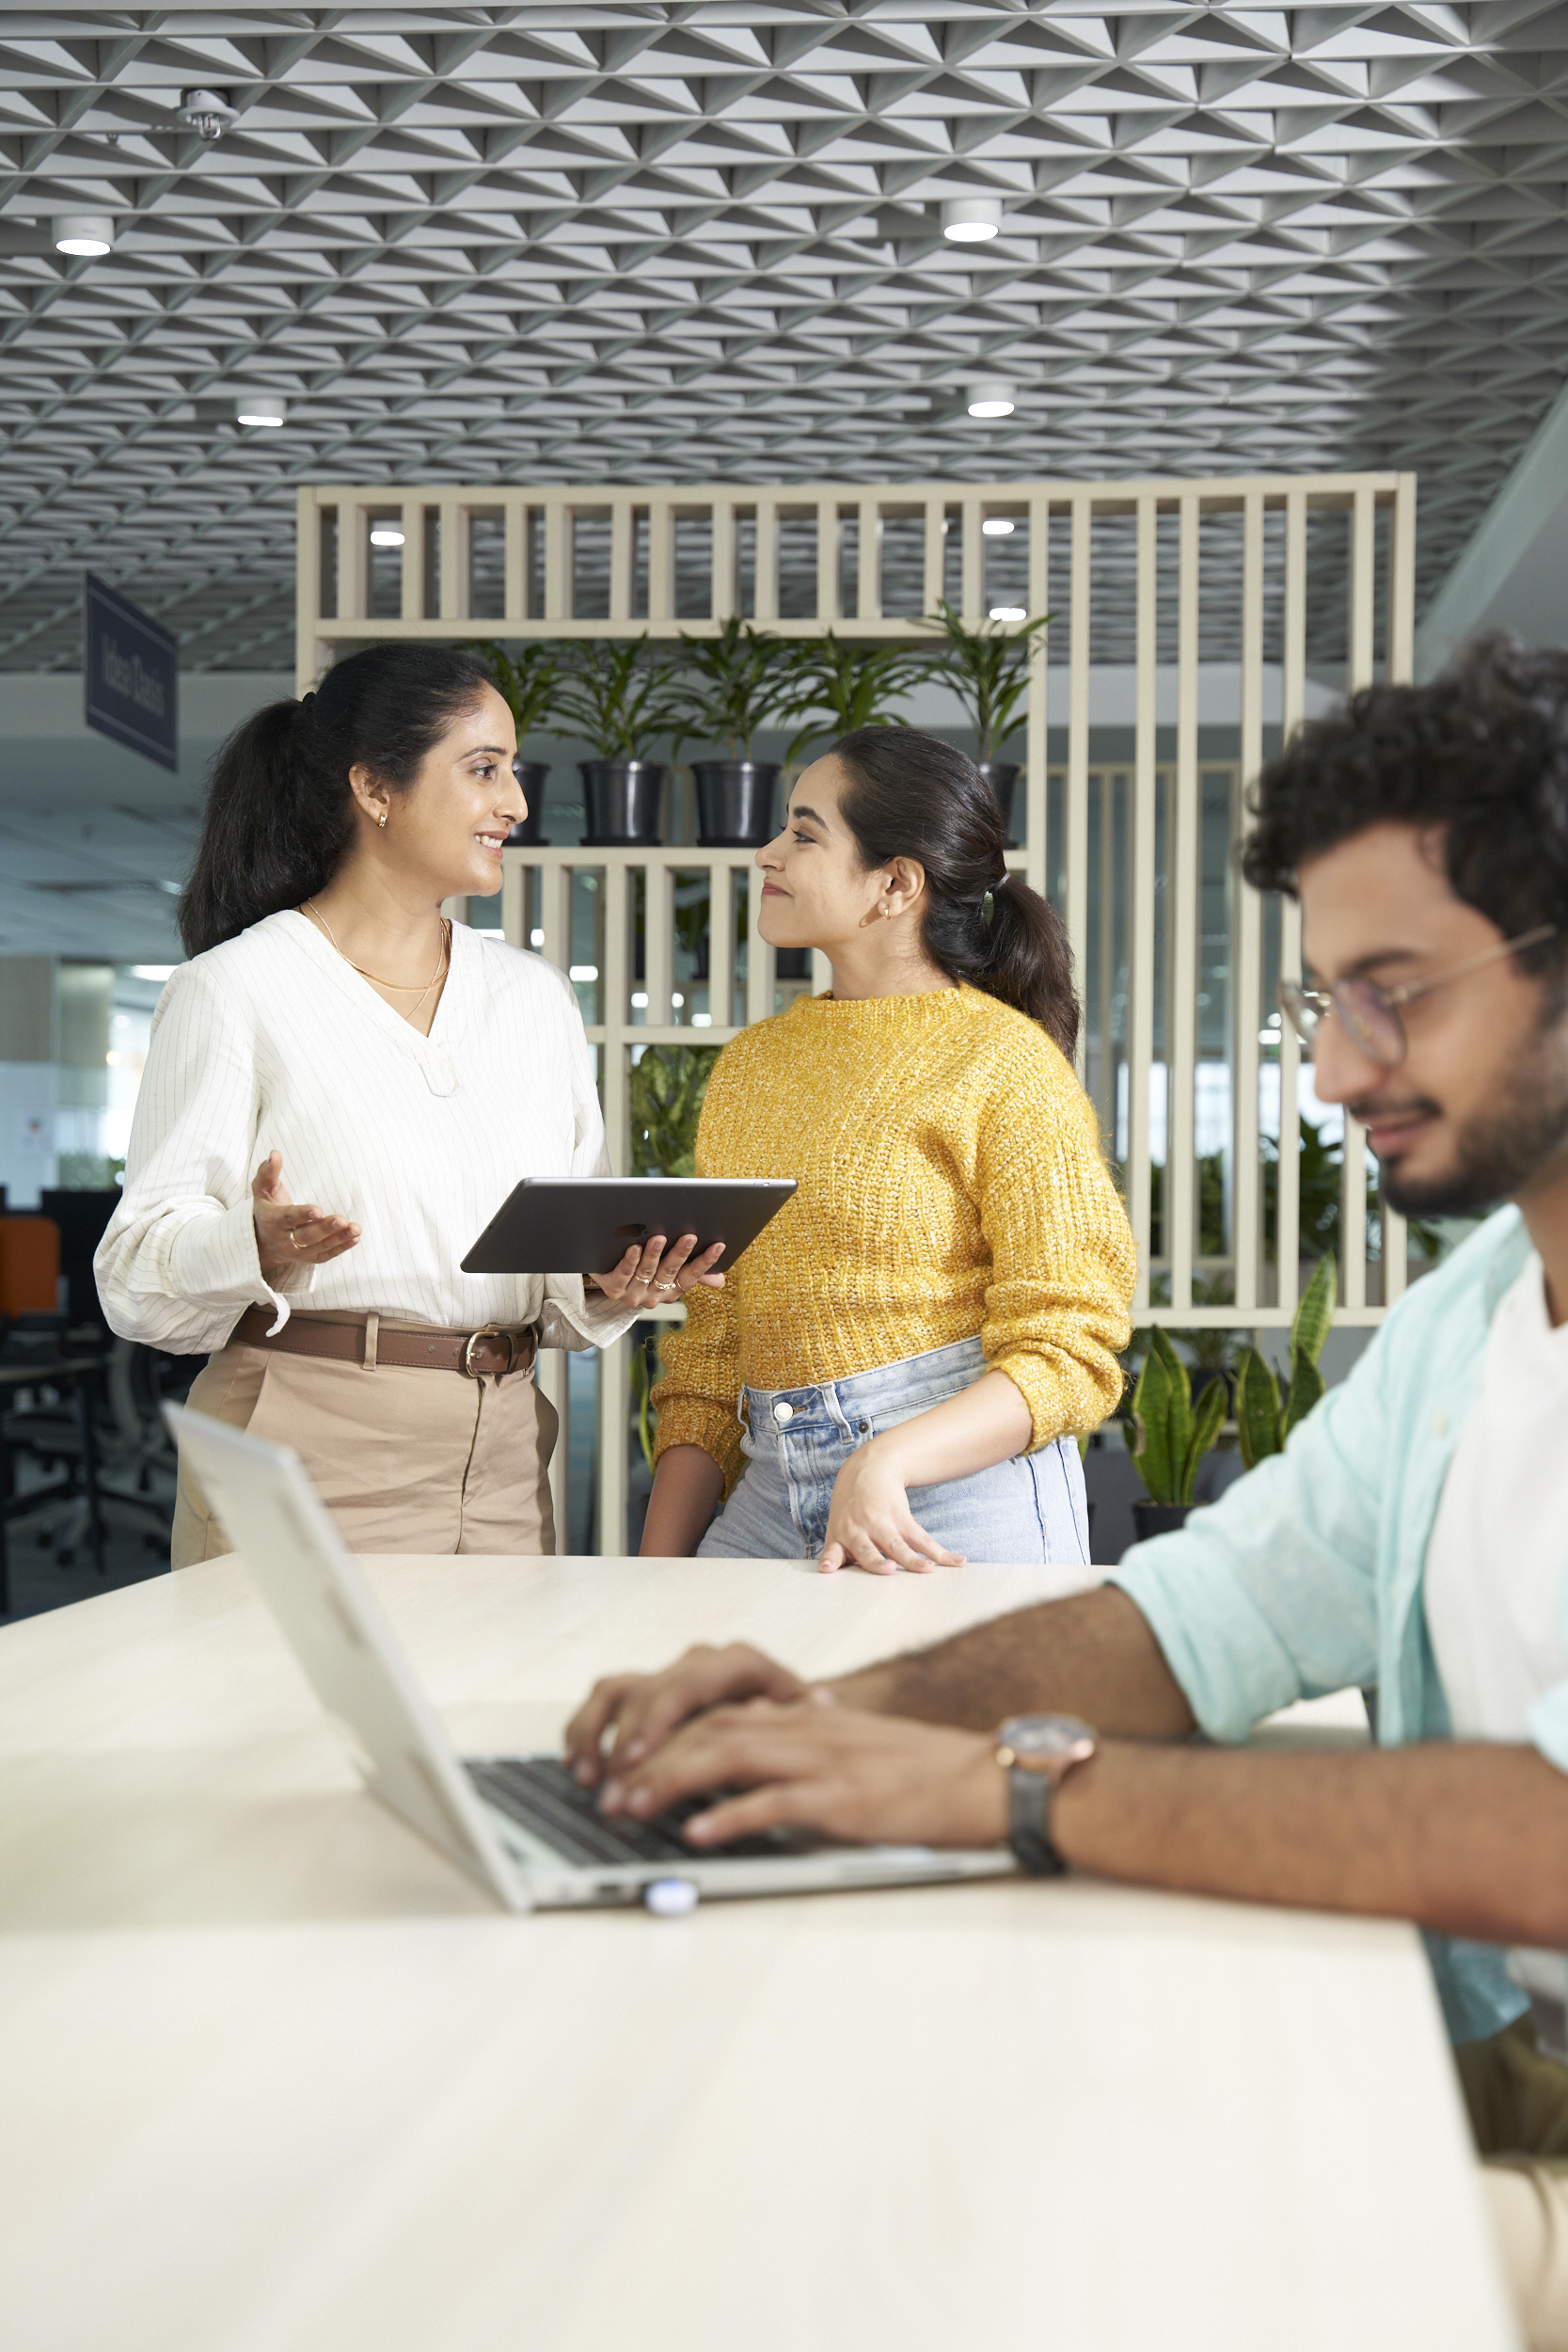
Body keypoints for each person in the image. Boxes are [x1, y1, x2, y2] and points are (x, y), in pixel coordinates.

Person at [566, 638, 1568, 2352]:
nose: (1334, 1069)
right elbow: (1203, 1610)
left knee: (1070, 2238)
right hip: (1513, 2046)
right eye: (1324, 999)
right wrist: (817, 1713)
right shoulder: (1467, 1326)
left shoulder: (996, 1067)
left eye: (1395, 988)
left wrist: (1013, 1788)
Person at [97, 644, 722, 1564]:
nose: (513, 801)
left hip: (505, 1445)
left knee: (491, 1712)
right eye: (482, 769)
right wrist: (251, 1245)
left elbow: (545, 1270)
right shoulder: (237, 988)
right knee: (281, 1714)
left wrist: (600, 1281)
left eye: (514, 770)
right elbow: (132, 1277)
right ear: (374, 788)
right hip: (306, 1438)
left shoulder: (531, 998)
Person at [643, 725, 1136, 1572]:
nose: (766, 853)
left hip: (960, 1499)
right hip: (766, 1493)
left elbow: (1070, 1344)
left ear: (895, 883)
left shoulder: (1003, 1062)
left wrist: (887, 1458)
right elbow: (713, 1349)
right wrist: (650, 1571)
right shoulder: (751, 1066)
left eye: (803, 833)